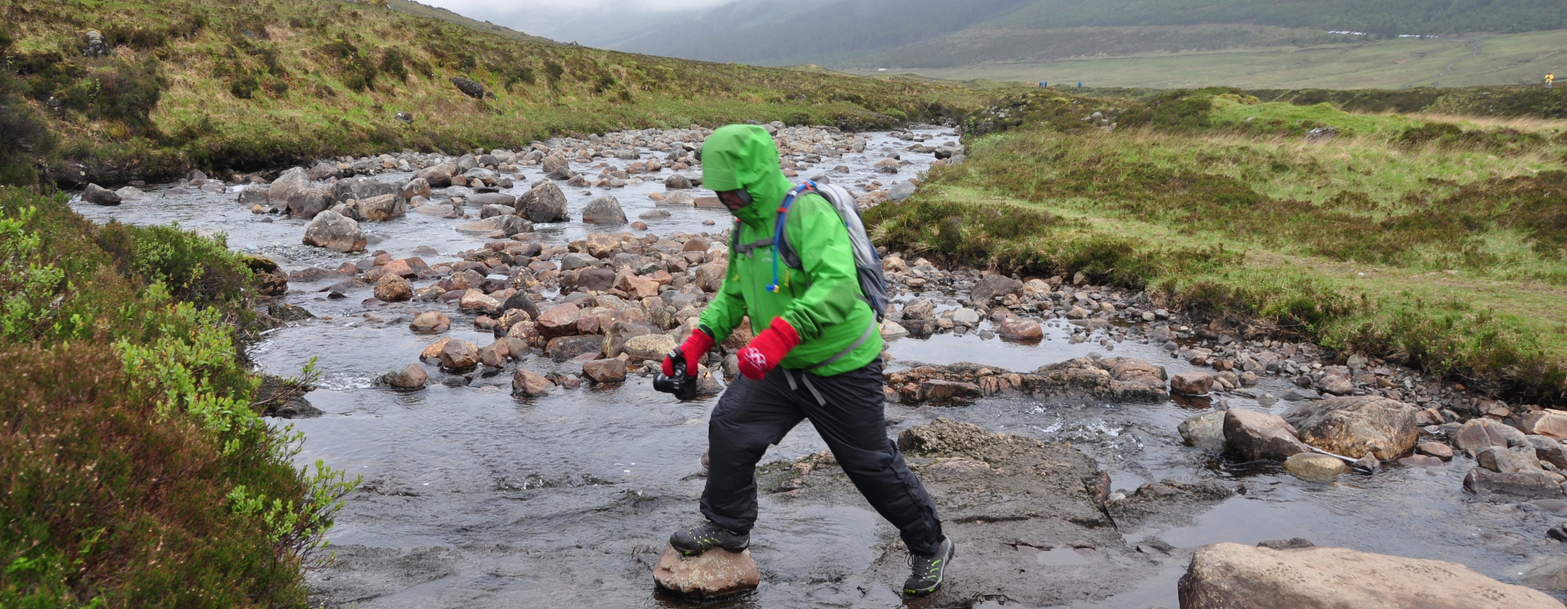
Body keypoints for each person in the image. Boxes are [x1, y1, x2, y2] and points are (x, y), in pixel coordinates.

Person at [661, 124, 953, 597]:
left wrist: (773, 341)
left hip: (841, 365)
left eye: (732, 190)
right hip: (781, 366)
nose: (727, 201)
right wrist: (695, 345)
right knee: (731, 426)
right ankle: (728, 524)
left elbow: (836, 288)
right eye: (719, 192)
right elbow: (734, 294)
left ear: (754, 177)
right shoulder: (746, 225)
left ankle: (929, 546)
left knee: (870, 465)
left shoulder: (805, 212)